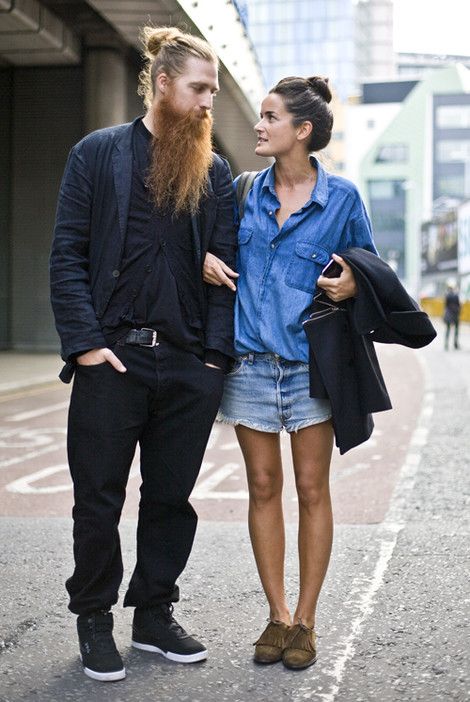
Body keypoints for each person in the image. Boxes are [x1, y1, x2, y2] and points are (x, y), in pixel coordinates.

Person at [50, 26, 236, 682]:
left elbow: (227, 272)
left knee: (171, 499)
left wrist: (213, 363)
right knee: (96, 499)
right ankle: (94, 616)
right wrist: (88, 345)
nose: (208, 102)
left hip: (187, 366)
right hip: (113, 362)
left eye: (213, 90)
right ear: (162, 84)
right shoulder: (97, 154)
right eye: (198, 89)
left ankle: (154, 614)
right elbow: (67, 254)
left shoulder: (215, 172)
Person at [203, 76, 377, 670]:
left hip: (311, 370)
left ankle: (307, 620)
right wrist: (204, 257)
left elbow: (371, 267)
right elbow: (208, 242)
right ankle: (276, 615)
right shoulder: (241, 190)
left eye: (270, 117)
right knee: (262, 488)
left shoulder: (343, 199)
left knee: (311, 489)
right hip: (250, 366)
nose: (258, 125)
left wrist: (355, 280)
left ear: (301, 131)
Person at [443, 283, 460, 350]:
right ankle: (455, 344)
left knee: (448, 329)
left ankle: (446, 344)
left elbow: (445, 306)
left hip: (449, 314)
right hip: (455, 314)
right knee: (456, 330)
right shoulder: (456, 296)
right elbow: (459, 305)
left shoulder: (447, 296)